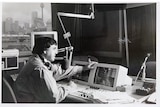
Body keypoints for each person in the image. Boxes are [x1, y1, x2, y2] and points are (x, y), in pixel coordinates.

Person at [14, 36, 96, 103]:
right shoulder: (40, 68)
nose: (56, 52)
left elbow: (57, 71)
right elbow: (54, 97)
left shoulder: (35, 60)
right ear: (45, 50)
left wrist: (83, 68)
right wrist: (69, 87)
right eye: (54, 49)